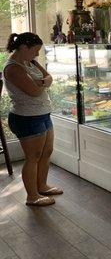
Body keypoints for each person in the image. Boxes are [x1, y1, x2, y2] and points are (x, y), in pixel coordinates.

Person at [3, 32, 62, 206]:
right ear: (23, 47)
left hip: (42, 114)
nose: (37, 55)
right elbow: (34, 92)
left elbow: (49, 78)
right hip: (26, 118)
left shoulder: (31, 63)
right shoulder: (13, 68)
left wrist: (41, 82)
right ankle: (32, 196)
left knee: (46, 152)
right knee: (33, 156)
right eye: (35, 50)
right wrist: (42, 83)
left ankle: (42, 186)